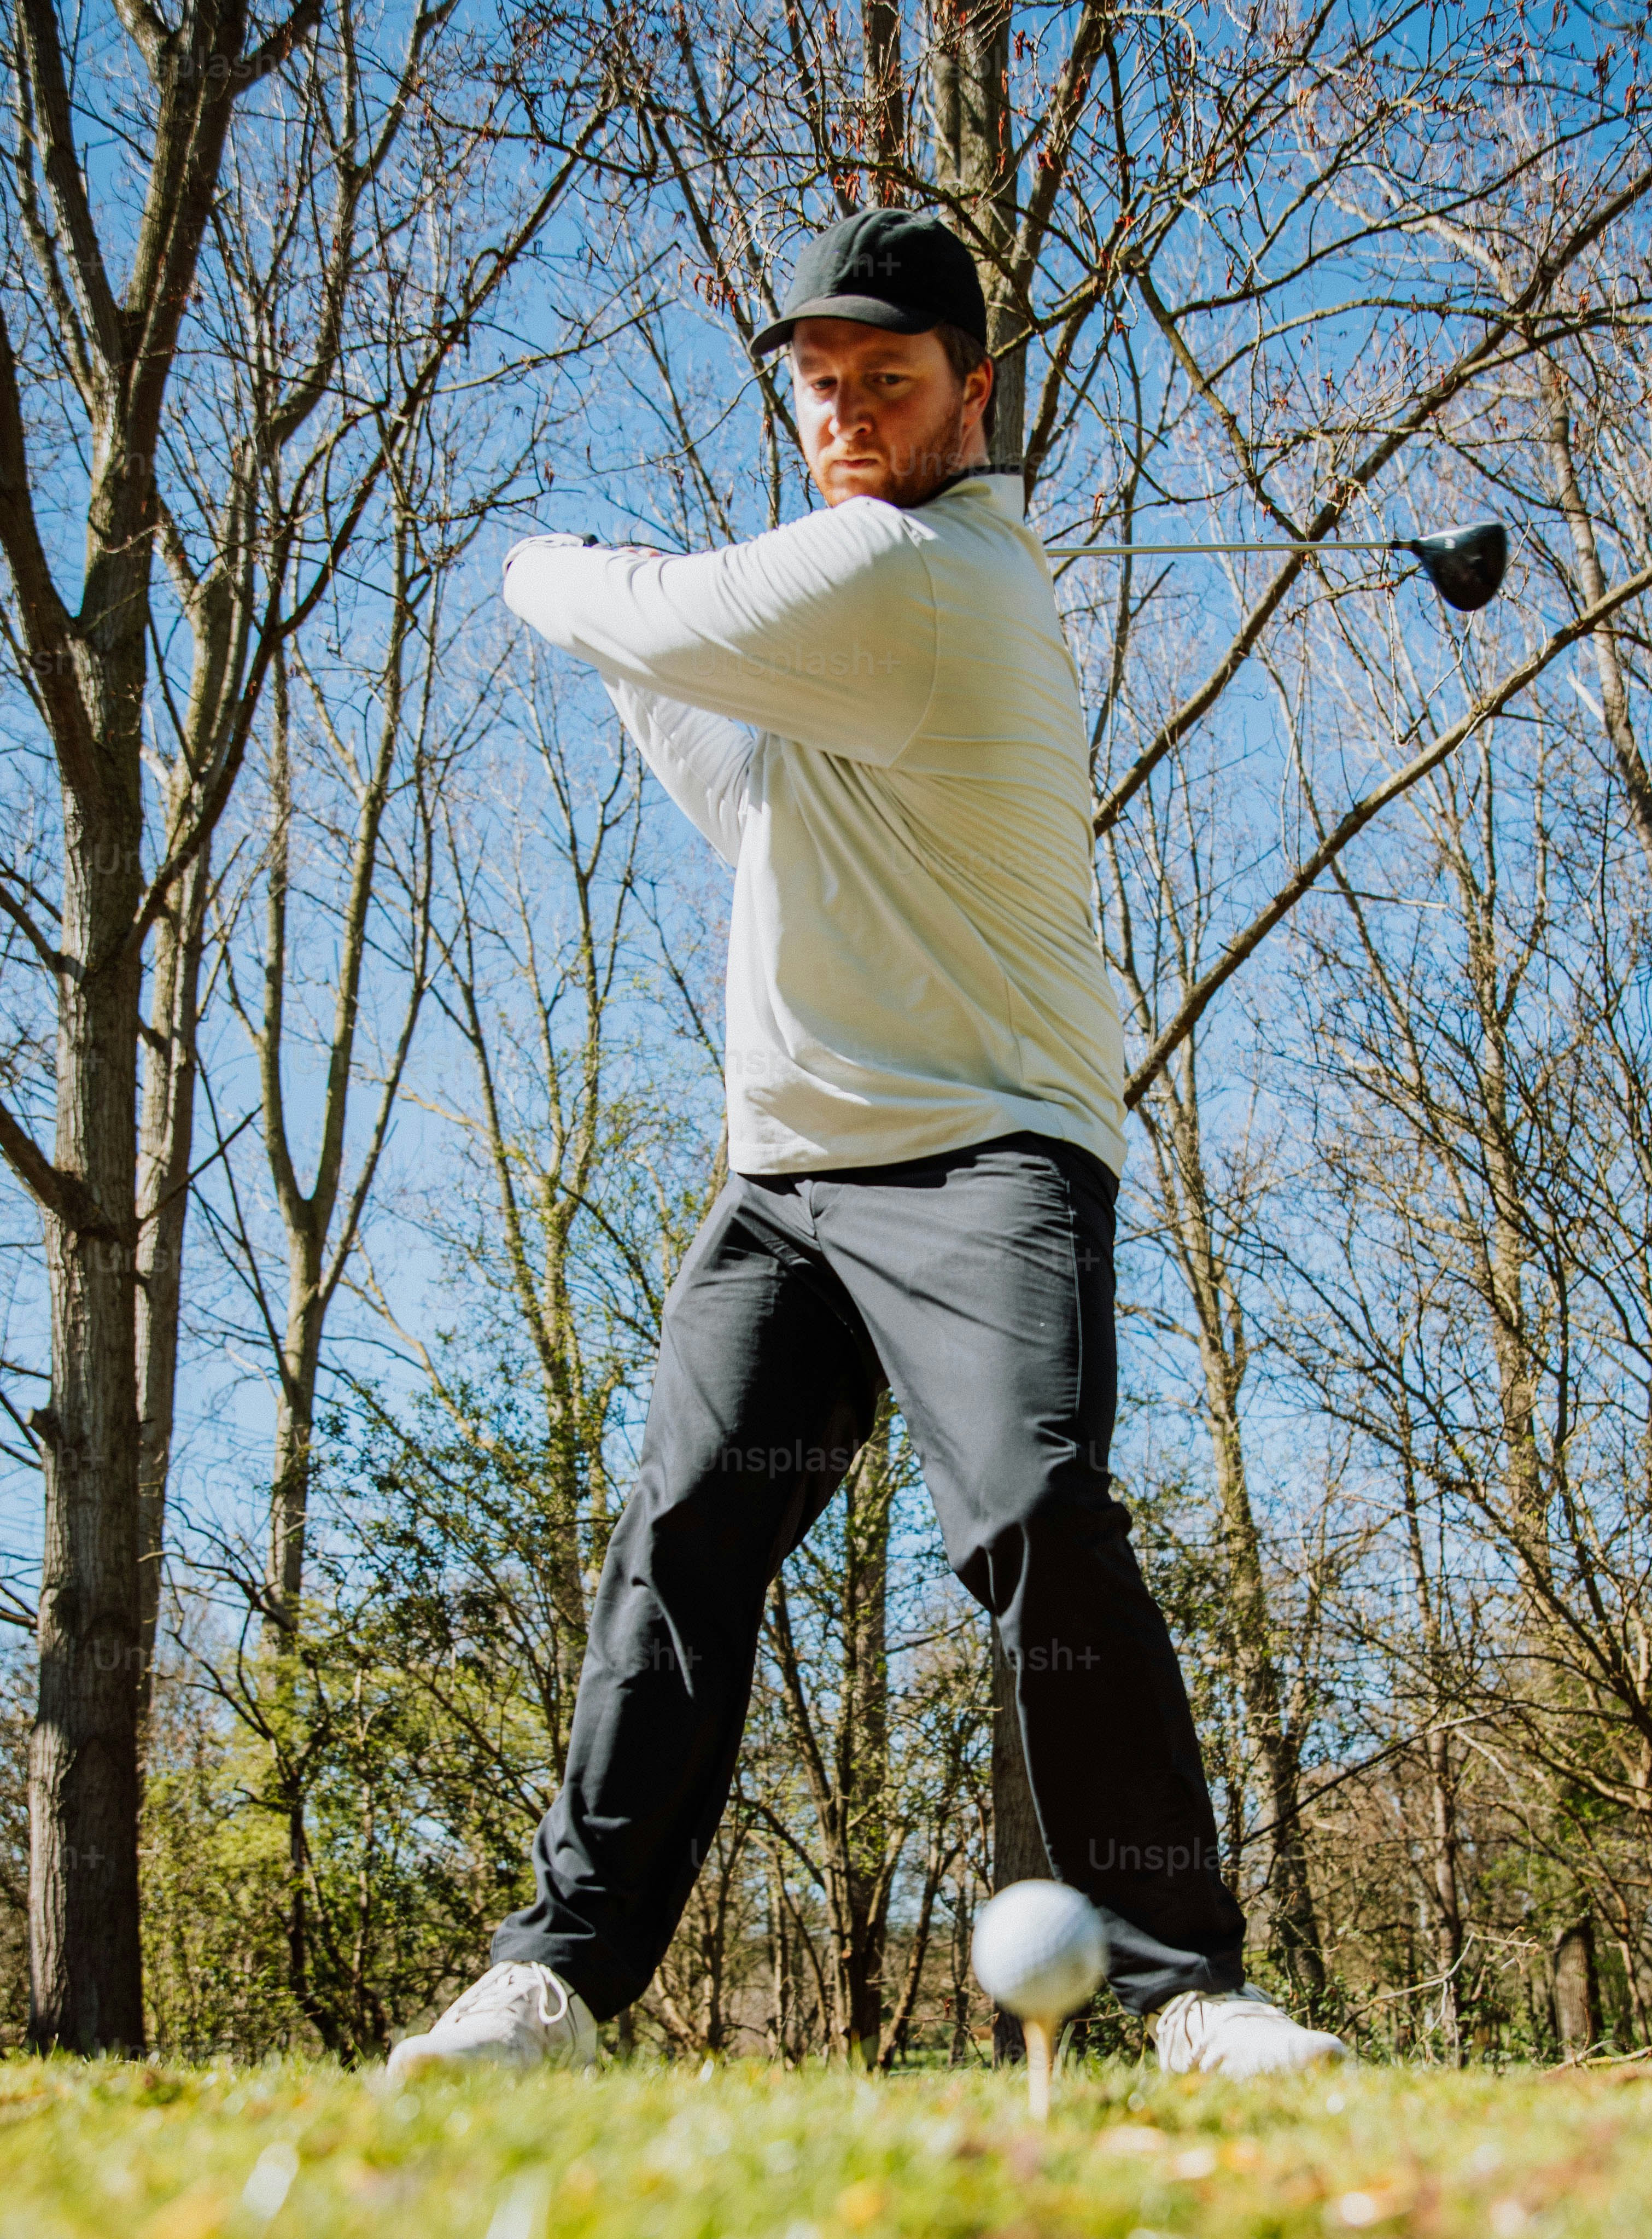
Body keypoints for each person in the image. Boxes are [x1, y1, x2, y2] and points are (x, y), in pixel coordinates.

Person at [388, 209, 1349, 2083]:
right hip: (793, 1185)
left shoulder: (918, 580)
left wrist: (549, 568)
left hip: (984, 1153)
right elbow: (731, 778)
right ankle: (557, 1981)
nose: (840, 414)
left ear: (970, 394)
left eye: (883, 383)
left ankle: (1189, 1990)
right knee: (683, 1538)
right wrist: (649, 629)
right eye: (817, 388)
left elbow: (645, 621)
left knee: (1030, 1514)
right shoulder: (853, 601)